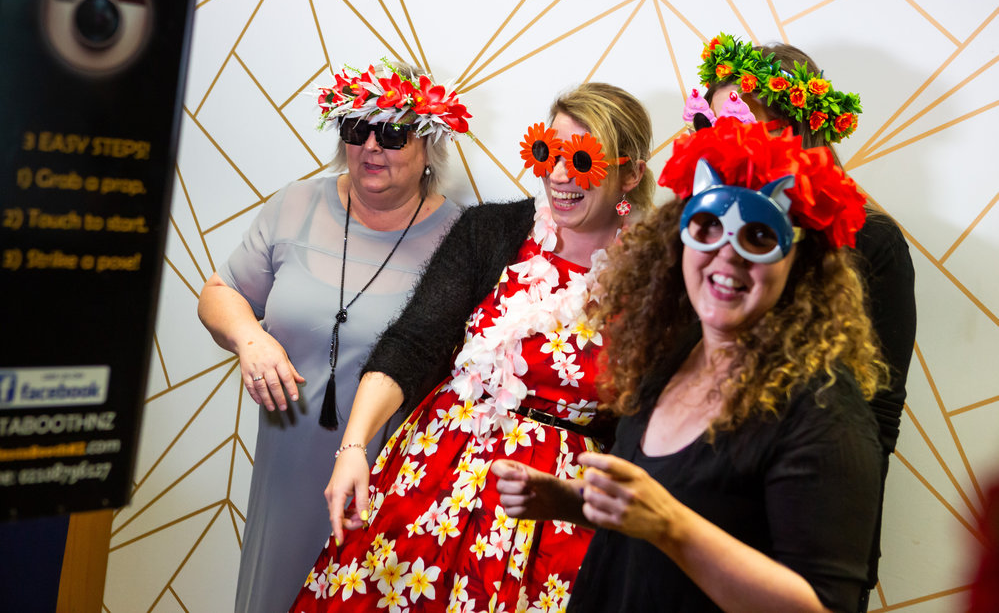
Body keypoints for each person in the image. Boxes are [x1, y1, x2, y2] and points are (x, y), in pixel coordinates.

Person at [495, 117, 887, 612]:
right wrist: (571, 503)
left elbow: (822, 606)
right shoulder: (671, 354)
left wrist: (671, 527)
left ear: (801, 264)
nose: (727, 256)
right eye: (709, 227)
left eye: (759, 236)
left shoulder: (824, 413)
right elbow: (667, 504)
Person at [288, 82, 654, 612]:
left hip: (552, 520)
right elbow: (414, 342)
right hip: (430, 484)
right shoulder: (492, 231)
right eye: (548, 152)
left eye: (581, 159)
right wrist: (354, 447)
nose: (558, 175)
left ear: (631, 174)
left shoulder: (654, 276)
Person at [197, 60, 470, 613]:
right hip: (286, 467)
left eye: (392, 133)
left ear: (429, 145)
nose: (371, 146)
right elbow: (219, 293)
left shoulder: (461, 238)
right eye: (357, 128)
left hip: (390, 479)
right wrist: (250, 338)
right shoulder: (294, 206)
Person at [694, 35, 917, 608]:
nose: (724, 143)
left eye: (742, 125)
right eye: (712, 126)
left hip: (806, 520)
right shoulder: (703, 230)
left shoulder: (870, 241)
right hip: (700, 500)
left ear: (797, 131)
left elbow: (879, 410)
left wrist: (837, 544)